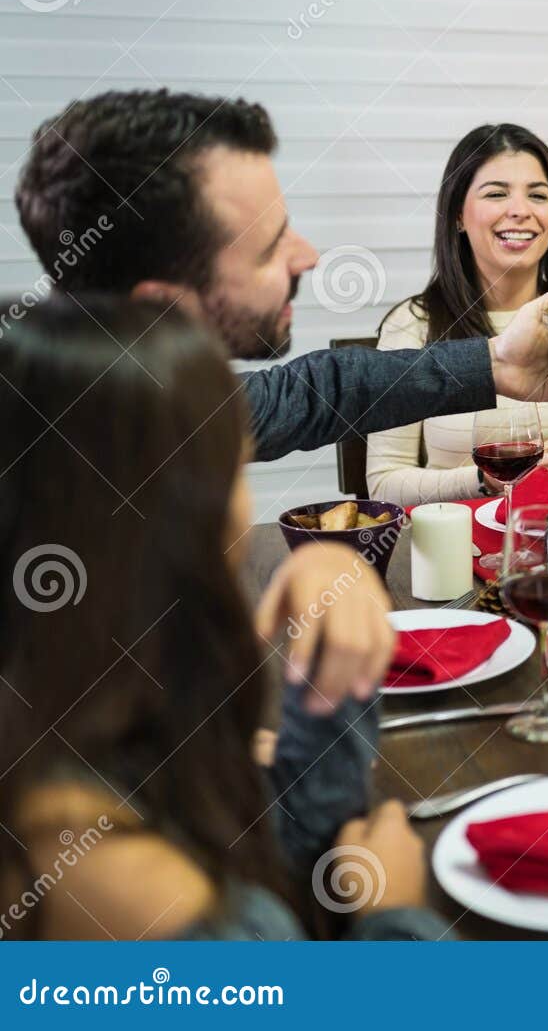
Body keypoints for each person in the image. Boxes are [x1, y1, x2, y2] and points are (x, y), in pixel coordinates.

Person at [0, 296, 448, 939]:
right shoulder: (125, 888)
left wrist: (337, 602)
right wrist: (395, 919)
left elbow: (290, 842)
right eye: (233, 464)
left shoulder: (83, 717)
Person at [13, 89, 548, 465]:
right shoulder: (64, 458)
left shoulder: (164, 399)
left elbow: (319, 392)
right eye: (270, 246)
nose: (309, 257)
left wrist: (495, 364)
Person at [367, 124, 548, 504]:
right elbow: (383, 484)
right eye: (496, 193)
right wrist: (485, 481)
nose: (520, 211)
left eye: (538, 195)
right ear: (458, 216)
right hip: (459, 550)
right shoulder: (413, 325)